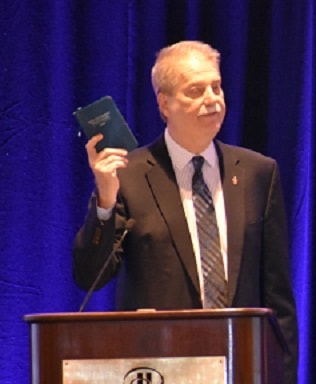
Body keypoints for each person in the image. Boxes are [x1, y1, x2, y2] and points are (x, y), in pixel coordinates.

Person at [72, 40, 298, 383]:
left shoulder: (257, 173)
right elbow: (90, 276)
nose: (212, 99)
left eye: (216, 86)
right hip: (159, 367)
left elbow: (277, 297)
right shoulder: (127, 176)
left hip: (240, 367)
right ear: (165, 103)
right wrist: (105, 200)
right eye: (196, 90)